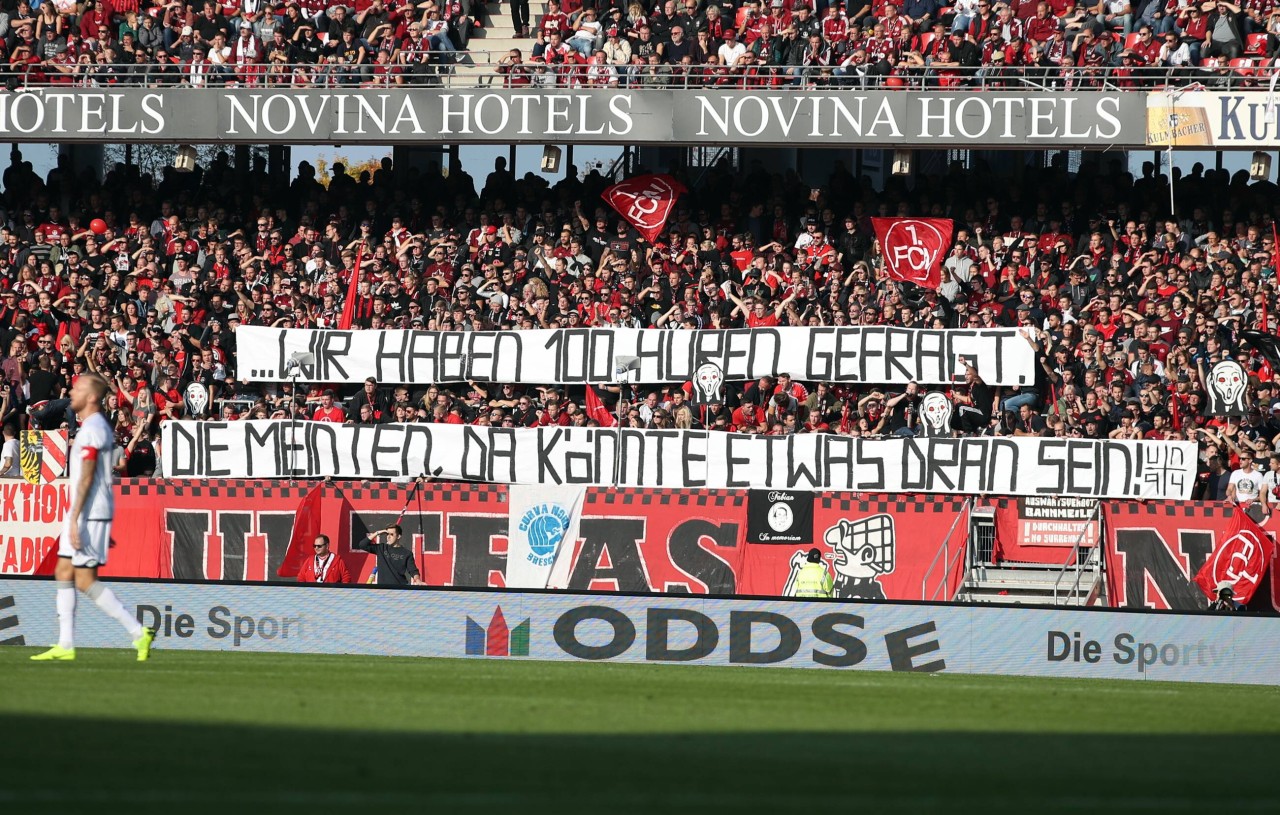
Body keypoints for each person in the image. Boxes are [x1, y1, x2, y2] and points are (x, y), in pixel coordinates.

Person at [31, 373, 154, 662]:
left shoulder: (94, 428)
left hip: (87, 513)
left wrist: (75, 518)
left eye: (78, 388)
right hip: (91, 512)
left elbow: (87, 475)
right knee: (70, 573)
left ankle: (134, 632)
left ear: (92, 397)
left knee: (82, 579)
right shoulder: (93, 427)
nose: (71, 392)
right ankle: (69, 643)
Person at [351, 524, 423, 586]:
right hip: (383, 589)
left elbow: (413, 570)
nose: (388, 537)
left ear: (398, 536)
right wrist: (377, 533)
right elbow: (362, 545)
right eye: (387, 534)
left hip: (400, 589)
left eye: (391, 534)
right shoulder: (381, 548)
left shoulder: (407, 553)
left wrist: (418, 580)